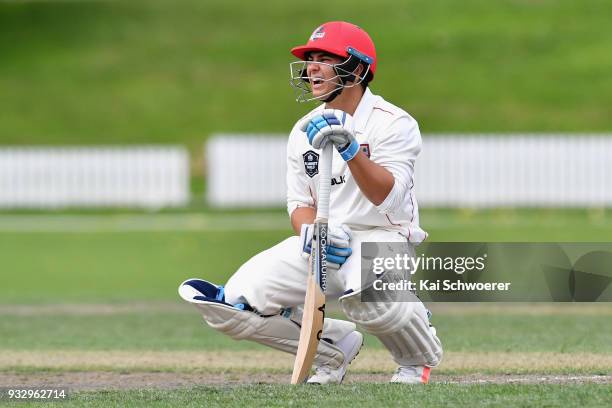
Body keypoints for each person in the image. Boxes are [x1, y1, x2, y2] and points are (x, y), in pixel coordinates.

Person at [179, 21, 442, 385]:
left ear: (357, 67)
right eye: (310, 59)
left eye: (325, 58)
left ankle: (417, 358)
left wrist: (351, 150)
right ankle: (334, 349)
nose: (312, 67)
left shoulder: (394, 123)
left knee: (371, 300)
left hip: (382, 237)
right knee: (230, 306)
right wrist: (312, 233)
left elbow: (389, 197)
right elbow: (299, 203)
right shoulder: (304, 129)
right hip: (323, 242)